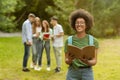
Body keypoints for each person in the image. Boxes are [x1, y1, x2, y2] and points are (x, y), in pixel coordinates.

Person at [64, 9, 99, 80]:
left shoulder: (93, 41)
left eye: (82, 22)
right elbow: (66, 61)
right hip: (72, 72)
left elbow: (94, 61)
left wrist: (86, 61)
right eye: (77, 23)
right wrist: (70, 59)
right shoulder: (68, 40)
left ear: (86, 25)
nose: (79, 24)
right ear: (74, 24)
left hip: (87, 72)